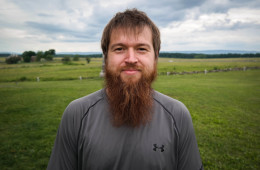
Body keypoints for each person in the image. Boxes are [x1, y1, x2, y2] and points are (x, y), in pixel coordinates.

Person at [47, 8, 203, 170]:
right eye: (119, 49)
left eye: (141, 48)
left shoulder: (178, 115)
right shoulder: (76, 114)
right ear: (106, 56)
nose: (131, 59)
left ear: (155, 57)